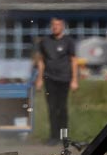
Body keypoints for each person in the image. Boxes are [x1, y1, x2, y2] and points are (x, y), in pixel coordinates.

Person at [34, 17, 79, 145]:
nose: (55, 27)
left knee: (62, 108)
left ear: (62, 26)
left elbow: (74, 61)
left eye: (58, 25)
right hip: (49, 78)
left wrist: (74, 80)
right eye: (53, 24)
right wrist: (39, 79)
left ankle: (64, 136)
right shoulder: (45, 41)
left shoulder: (68, 41)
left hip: (64, 78)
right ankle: (53, 136)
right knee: (52, 108)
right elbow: (41, 61)